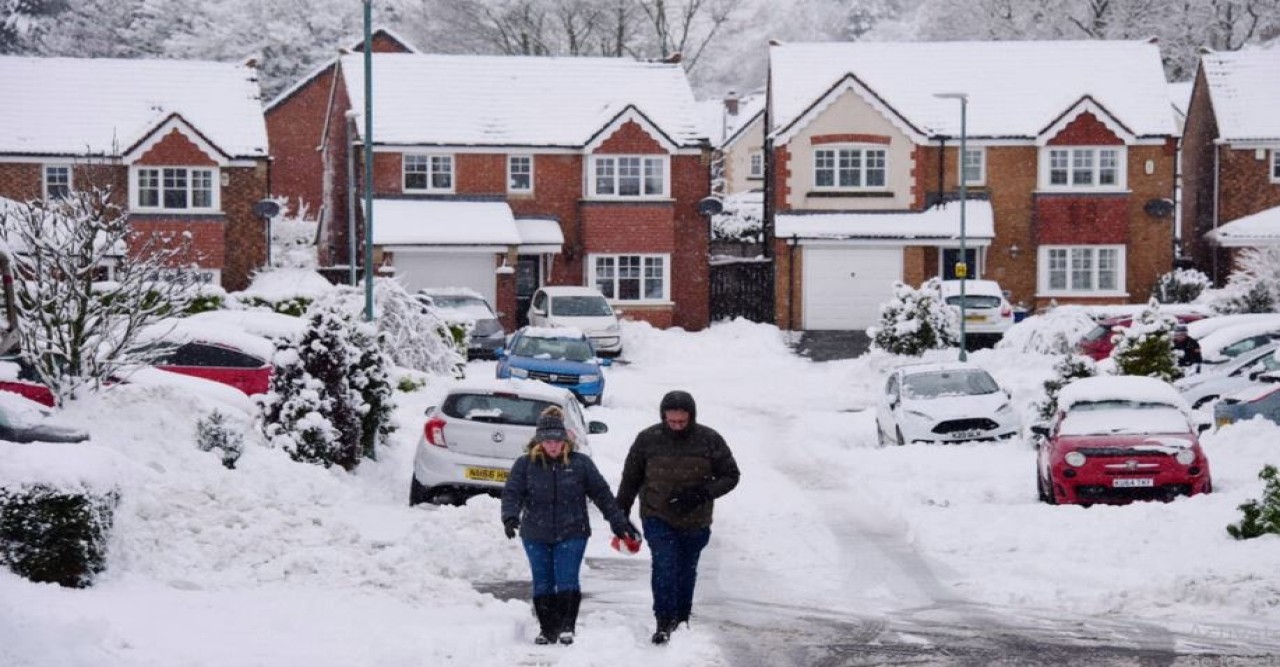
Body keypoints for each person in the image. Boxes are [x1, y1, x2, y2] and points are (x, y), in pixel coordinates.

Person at [501, 406, 640, 646]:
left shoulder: (580, 463)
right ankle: (547, 629)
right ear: (539, 441)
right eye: (548, 441)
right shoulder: (525, 464)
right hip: (535, 532)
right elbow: (512, 492)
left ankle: (567, 627)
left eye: (557, 441)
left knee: (567, 578)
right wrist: (510, 516)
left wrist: (618, 523)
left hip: (572, 531)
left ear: (565, 441)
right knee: (542, 580)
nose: (553, 446)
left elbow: (602, 494)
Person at [615, 390, 740, 645]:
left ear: (691, 417)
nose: (677, 426)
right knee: (664, 565)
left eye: (682, 422)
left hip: (696, 519)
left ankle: (682, 619)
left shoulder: (709, 440)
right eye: (671, 422)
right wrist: (620, 514)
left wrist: (700, 494)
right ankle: (663, 621)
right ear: (663, 417)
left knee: (685, 569)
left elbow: (731, 475)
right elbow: (631, 478)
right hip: (657, 515)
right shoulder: (648, 439)